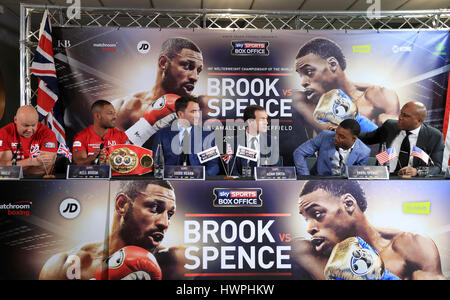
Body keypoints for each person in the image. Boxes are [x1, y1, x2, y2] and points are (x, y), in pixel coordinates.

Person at [292, 180, 446, 280]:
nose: (309, 228)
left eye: (317, 214)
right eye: (306, 219)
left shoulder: (412, 246)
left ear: (348, 204)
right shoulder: (306, 253)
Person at [39, 180, 187, 280]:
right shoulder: (66, 265)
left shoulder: (174, 261)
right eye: (154, 208)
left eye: (170, 214)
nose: (165, 223)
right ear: (122, 204)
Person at [292, 37, 399, 132]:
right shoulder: (303, 101)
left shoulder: (380, 95)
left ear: (332, 64)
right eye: (300, 75)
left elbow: (393, 140)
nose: (302, 83)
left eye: (309, 72)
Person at [113, 37, 203, 146]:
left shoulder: (200, 107)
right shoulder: (126, 107)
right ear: (163, 63)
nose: (195, 77)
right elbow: (114, 155)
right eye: (187, 66)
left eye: (198, 71)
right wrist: (148, 123)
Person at [359, 101, 444, 176]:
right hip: (384, 178)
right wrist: (349, 130)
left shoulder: (434, 136)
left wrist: (417, 171)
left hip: (412, 182)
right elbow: (367, 137)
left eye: (406, 116)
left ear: (419, 121)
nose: (400, 117)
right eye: (401, 113)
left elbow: (437, 167)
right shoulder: (389, 126)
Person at [152, 95, 219, 176]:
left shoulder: (207, 135)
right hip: (170, 181)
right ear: (180, 114)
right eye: (193, 112)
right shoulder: (162, 134)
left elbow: (213, 166)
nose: (198, 115)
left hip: (198, 184)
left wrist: (201, 177)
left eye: (198, 111)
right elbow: (156, 164)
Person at [293, 119, 370, 176]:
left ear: (353, 138)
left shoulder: (364, 152)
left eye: (341, 137)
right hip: (318, 181)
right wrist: (306, 177)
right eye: (336, 133)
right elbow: (299, 152)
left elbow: (356, 177)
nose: (336, 138)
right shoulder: (325, 136)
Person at [0, 105, 57, 175]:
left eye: (33, 125)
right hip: (10, 183)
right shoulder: (4, 133)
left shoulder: (47, 134)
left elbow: (44, 169)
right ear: (15, 120)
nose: (29, 130)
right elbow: (3, 168)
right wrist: (31, 162)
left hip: (39, 182)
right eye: (25, 125)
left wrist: (14, 168)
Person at [72, 100, 129, 165]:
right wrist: (94, 157)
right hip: (93, 174)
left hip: (116, 174)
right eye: (110, 113)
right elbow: (78, 162)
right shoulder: (81, 136)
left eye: (114, 113)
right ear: (98, 116)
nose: (115, 116)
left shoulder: (121, 135)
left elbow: (129, 159)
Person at [230, 105, 280, 176]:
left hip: (265, 184)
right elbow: (232, 172)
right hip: (241, 185)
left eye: (266, 119)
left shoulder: (272, 141)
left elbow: (275, 169)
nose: (266, 122)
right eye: (262, 119)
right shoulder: (233, 143)